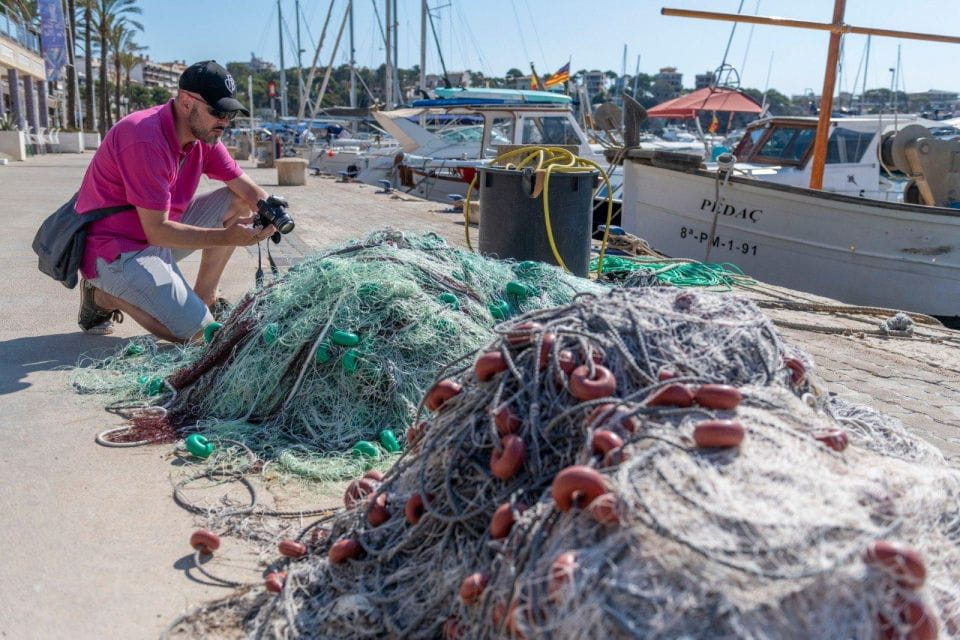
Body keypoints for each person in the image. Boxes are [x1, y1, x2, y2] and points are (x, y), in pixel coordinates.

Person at [75, 60, 278, 343]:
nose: (225, 122)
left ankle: (205, 297)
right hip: (116, 248)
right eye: (218, 112)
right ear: (186, 102)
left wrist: (271, 208)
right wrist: (228, 236)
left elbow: (247, 189)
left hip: (160, 234)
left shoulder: (204, 135)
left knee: (240, 200)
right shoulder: (144, 137)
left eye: (230, 114)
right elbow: (157, 231)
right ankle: (103, 295)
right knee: (198, 334)